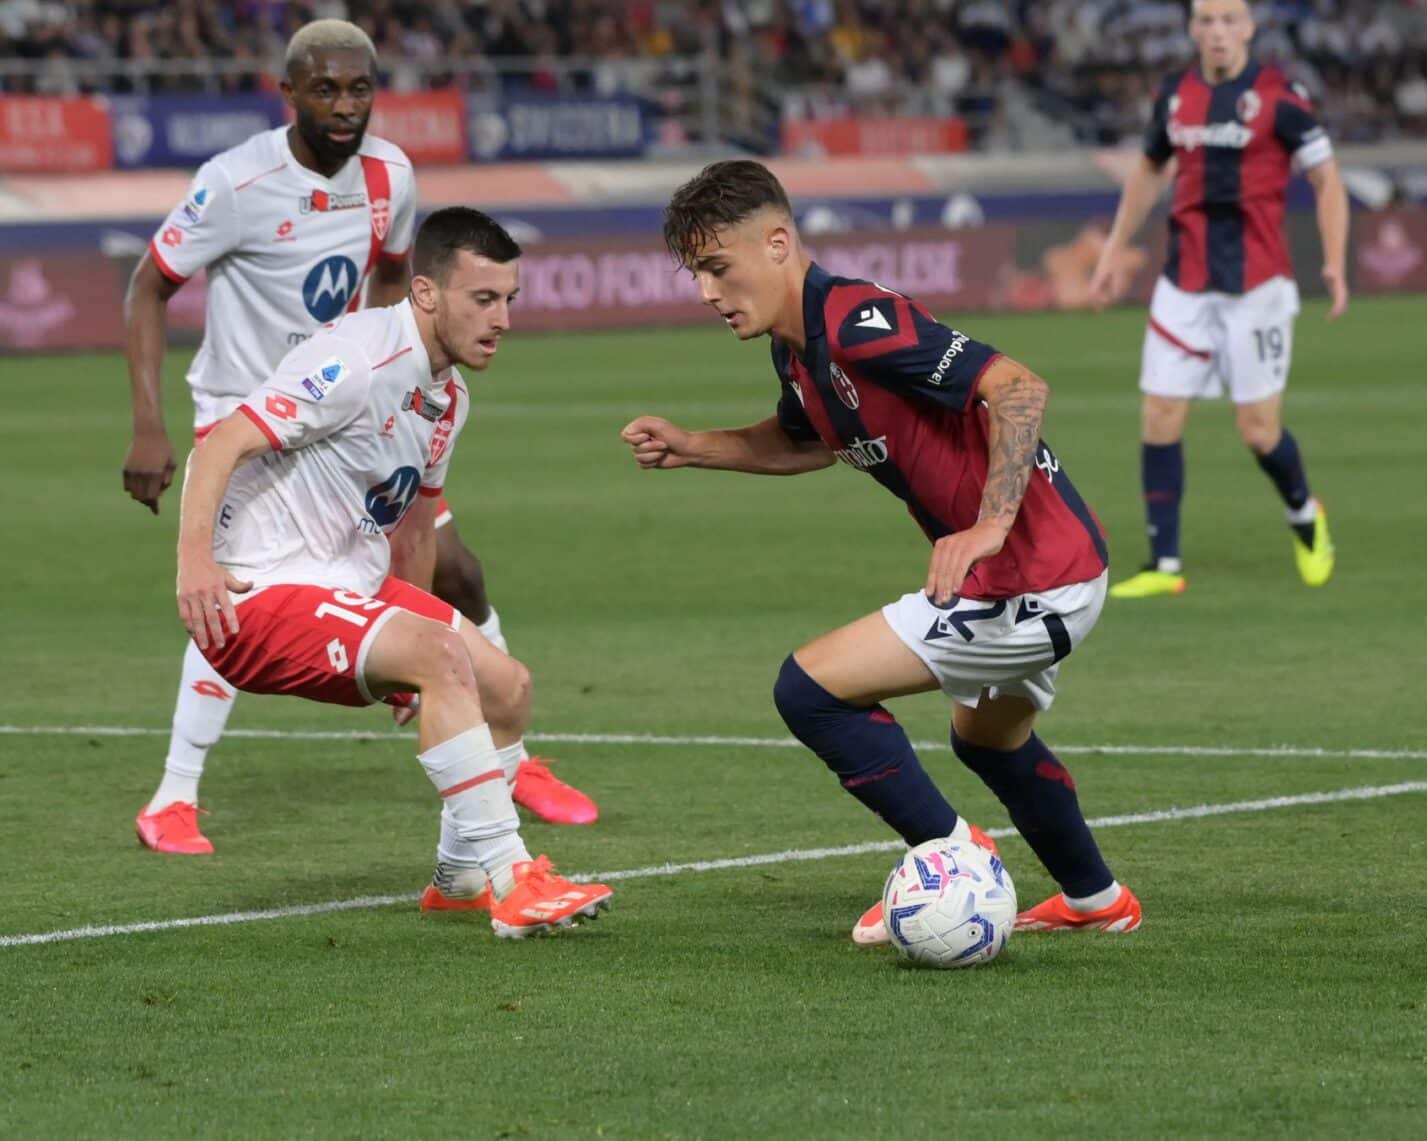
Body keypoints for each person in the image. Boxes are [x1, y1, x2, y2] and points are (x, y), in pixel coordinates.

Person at [623, 161, 1142, 943]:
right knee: (988, 742)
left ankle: (950, 859)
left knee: (809, 690)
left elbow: (1019, 388)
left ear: (776, 242)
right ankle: (1096, 898)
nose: (706, 292)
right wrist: (695, 445)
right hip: (1035, 575)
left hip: (1032, 574)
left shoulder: (859, 320)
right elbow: (808, 441)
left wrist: (991, 525)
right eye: (697, 273)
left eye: (717, 267)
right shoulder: (798, 351)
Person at [122, 20, 595, 854]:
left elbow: (394, 281)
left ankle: (506, 747)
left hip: (357, 409)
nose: (345, 107)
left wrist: (395, 368)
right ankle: (175, 794)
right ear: (290, 92)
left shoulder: (391, 175)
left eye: (360, 90)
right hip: (248, 419)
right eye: (327, 89)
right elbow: (149, 285)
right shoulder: (236, 182)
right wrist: (151, 423)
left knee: (455, 566)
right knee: (241, 592)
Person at [174, 206, 611, 937]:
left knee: (507, 685)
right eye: (484, 299)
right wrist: (195, 564)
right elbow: (222, 443)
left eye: (510, 300)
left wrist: (403, 636)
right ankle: (513, 879)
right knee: (443, 656)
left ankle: (459, 876)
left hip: (350, 582)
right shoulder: (356, 358)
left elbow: (412, 531)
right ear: (428, 293)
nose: (502, 318)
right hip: (262, 588)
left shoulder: (448, 398)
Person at [1088, 0, 1349, 599]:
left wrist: (1334, 262)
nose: (1217, 32)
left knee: (1257, 431)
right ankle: (1165, 565)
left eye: (1229, 19)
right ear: (1192, 29)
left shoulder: (1280, 95)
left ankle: (1306, 515)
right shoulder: (1176, 94)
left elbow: (1327, 178)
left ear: (1250, 28)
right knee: (1159, 416)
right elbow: (1150, 170)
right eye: (1206, 20)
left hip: (1256, 289)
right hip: (1184, 283)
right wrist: (1113, 250)